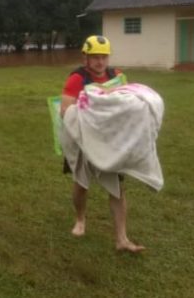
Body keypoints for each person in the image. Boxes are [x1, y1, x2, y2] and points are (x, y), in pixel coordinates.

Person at [59, 35, 145, 253]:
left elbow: (127, 102)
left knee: (117, 189)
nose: (100, 62)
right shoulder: (76, 79)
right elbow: (65, 111)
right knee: (81, 184)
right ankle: (80, 220)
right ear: (85, 57)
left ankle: (122, 239)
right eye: (95, 57)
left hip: (110, 142)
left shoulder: (117, 76)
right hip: (82, 141)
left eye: (104, 57)